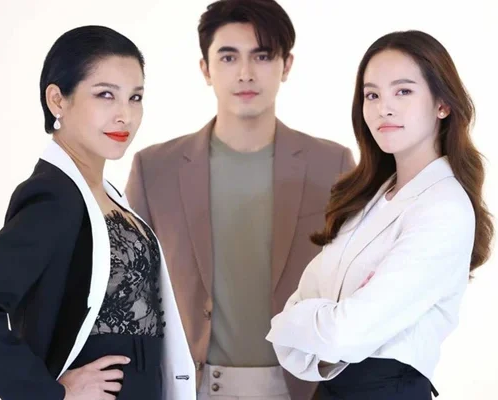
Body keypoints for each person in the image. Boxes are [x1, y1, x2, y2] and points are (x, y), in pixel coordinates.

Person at [0, 25, 195, 400]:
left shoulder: (105, 195)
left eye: (135, 97)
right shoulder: (55, 197)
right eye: (105, 95)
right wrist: (51, 393)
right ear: (57, 100)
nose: (125, 115)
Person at [125, 1, 355, 399]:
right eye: (228, 57)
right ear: (205, 69)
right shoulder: (154, 169)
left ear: (286, 65)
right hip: (193, 387)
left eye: (262, 56)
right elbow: (132, 295)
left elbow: (353, 287)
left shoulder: (332, 164)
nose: (245, 73)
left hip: (303, 387)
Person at [266, 30, 495, 399]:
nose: (383, 108)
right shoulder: (369, 197)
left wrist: (305, 323)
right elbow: (303, 309)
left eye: (403, 91)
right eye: (372, 95)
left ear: (442, 104)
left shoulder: (444, 208)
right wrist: (323, 324)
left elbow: (344, 333)